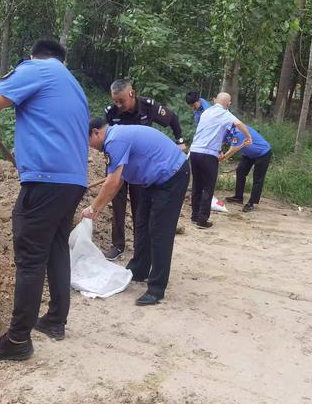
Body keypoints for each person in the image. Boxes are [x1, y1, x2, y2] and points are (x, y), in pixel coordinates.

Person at [0, 39, 89, 361]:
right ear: (63, 60)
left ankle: (18, 340)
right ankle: (55, 320)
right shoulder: (74, 85)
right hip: (72, 182)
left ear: (33, 56)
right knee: (55, 248)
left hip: (46, 181)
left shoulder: (36, 68)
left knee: (30, 257)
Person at [83, 118, 190, 305]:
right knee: (141, 224)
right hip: (153, 181)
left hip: (172, 176)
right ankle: (139, 270)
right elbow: (117, 181)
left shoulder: (115, 140)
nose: (91, 148)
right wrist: (98, 208)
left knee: (159, 232)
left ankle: (156, 289)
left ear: (95, 132)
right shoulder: (115, 138)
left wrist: (94, 208)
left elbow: (113, 182)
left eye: (88, 142)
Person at [103, 78, 185, 261]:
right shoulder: (111, 112)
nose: (118, 105)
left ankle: (140, 246)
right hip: (119, 165)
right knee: (117, 203)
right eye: (115, 101)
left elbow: (172, 118)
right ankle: (118, 245)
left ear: (131, 93)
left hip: (141, 168)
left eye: (121, 101)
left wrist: (180, 141)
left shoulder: (149, 107)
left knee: (140, 206)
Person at [189, 92, 252, 229]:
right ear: (228, 104)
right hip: (208, 154)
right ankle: (202, 220)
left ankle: (194, 216)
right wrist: (248, 136)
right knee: (208, 187)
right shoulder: (224, 113)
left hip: (194, 152)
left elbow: (210, 132)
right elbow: (239, 124)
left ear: (214, 100)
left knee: (197, 185)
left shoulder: (206, 112)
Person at [221, 125, 272, 212]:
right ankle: (238, 197)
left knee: (257, 178)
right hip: (248, 154)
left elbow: (233, 150)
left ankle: (251, 203)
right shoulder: (227, 131)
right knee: (240, 171)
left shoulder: (239, 132)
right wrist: (219, 151)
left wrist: (221, 159)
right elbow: (220, 141)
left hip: (263, 153)